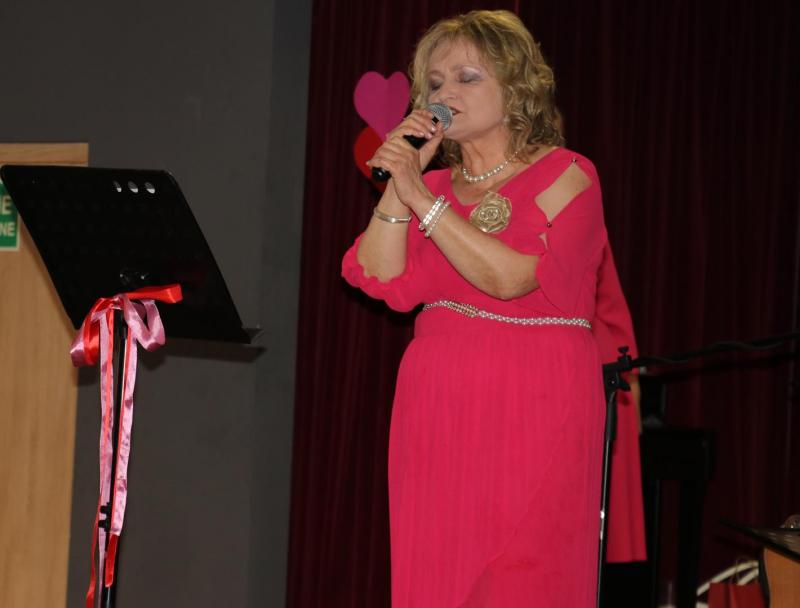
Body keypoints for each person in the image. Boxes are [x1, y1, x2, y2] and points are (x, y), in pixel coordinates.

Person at [343, 10, 612, 606]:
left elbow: (510, 279)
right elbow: (378, 274)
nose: (445, 94)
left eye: (467, 77)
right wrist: (403, 184)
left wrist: (419, 197)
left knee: (523, 578)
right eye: (435, 83)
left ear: (516, 89)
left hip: (536, 401)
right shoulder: (431, 187)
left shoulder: (567, 174)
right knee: (437, 575)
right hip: (436, 408)